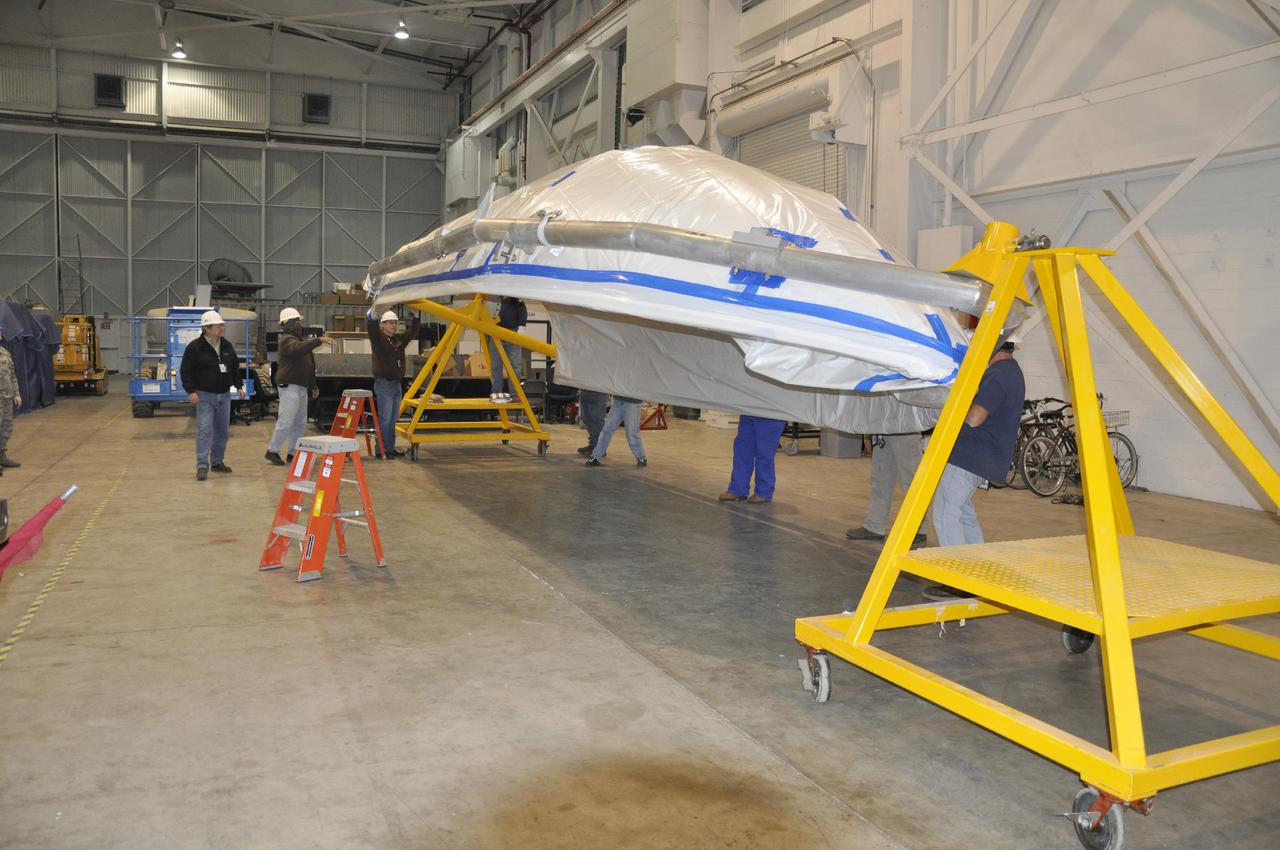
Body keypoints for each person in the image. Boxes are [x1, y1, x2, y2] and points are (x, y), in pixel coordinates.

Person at [925, 340, 1024, 599]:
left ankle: (958, 580)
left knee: (946, 513)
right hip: (983, 458)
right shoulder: (1013, 372)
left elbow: (975, 417)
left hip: (970, 457)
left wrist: (953, 398)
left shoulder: (998, 375)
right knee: (963, 514)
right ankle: (978, 572)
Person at [179, 310, 247, 481]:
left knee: (222, 432)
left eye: (222, 325)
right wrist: (191, 391)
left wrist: (239, 386)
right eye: (218, 325)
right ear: (207, 328)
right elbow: (185, 371)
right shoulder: (194, 348)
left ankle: (217, 462)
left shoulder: (226, 346)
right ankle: (202, 466)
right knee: (204, 431)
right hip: (204, 396)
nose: (222, 328)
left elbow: (233, 367)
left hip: (224, 396)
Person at [265, 307, 332, 466]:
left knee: (299, 422)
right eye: (296, 322)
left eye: (299, 322)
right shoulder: (286, 340)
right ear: (287, 323)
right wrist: (318, 340)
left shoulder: (301, 341)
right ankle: (272, 451)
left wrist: (313, 385)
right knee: (286, 421)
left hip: (300, 386)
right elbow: (296, 349)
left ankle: (293, 453)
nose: (300, 324)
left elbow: (310, 365)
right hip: (290, 386)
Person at [846, 432, 929, 546]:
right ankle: (874, 526)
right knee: (880, 477)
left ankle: (918, 528)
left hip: (905, 428)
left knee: (912, 479)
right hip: (883, 428)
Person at [366, 308, 420, 459]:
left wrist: (416, 316)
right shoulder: (379, 339)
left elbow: (413, 332)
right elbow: (372, 330)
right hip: (384, 384)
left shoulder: (397, 340)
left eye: (395, 323)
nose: (394, 326)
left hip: (396, 384)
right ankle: (381, 450)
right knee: (385, 418)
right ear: (382, 325)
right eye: (390, 323)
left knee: (392, 418)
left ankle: (389, 448)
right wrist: (371, 317)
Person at [719, 415, 787, 504]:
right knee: (742, 449)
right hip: (749, 412)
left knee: (764, 452)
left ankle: (763, 492)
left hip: (771, 414)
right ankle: (738, 489)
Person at [585, 396, 646, 467]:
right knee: (606, 430)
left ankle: (641, 458)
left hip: (633, 403)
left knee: (632, 433)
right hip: (617, 402)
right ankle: (595, 457)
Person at [489, 296, 528, 403]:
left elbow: (522, 309)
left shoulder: (515, 298)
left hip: (512, 332)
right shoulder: (493, 298)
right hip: (495, 332)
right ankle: (496, 392)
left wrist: (522, 326)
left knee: (515, 365)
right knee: (496, 366)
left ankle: (515, 393)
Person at [0, 330, 21, 475]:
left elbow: (13, 375)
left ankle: (1, 456)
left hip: (6, 397)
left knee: (6, 427)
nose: (0, 335)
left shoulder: (5, 353)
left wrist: (16, 394)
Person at [577, 389, 608, 456]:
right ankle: (593, 445)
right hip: (585, 390)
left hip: (600, 390)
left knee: (597, 418)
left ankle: (600, 448)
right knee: (586, 417)